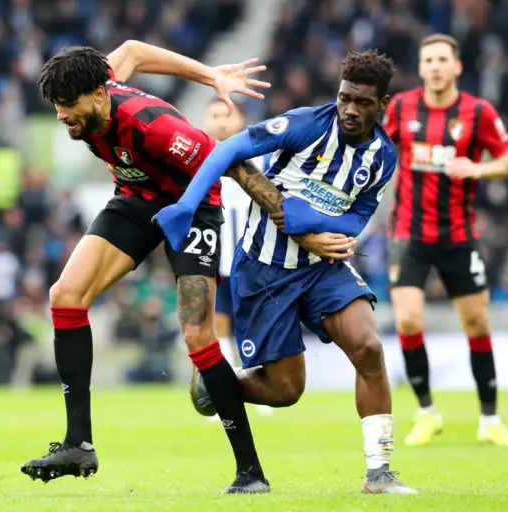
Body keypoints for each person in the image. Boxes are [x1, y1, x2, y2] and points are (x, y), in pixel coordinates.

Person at [20, 40, 281, 494]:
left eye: (67, 105)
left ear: (98, 95)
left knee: (198, 336)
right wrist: (210, 75)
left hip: (192, 207)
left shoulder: (155, 127)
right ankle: (78, 444)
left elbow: (228, 162)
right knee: (65, 296)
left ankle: (250, 472)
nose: (61, 115)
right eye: (56, 105)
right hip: (135, 200)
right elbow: (133, 50)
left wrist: (291, 220)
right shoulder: (99, 81)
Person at [155, 50, 417, 494]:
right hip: (265, 271)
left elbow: (358, 217)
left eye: (362, 102)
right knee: (285, 392)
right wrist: (185, 205)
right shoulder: (307, 124)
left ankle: (379, 473)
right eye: (345, 98)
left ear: (382, 105)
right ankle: (217, 384)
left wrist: (306, 224)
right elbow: (230, 150)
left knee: (369, 348)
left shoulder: (382, 156)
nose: (350, 109)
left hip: (321, 268)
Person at [383, 34, 508, 447]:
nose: (435, 66)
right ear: (421, 67)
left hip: (459, 233)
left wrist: (477, 169)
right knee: (408, 319)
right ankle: (426, 412)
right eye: (428, 60)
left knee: (476, 322)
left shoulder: (478, 112)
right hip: (408, 231)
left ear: (457, 66)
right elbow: (375, 149)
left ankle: (490, 420)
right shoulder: (402, 107)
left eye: (443, 59)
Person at [202, 98, 273, 419]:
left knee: (255, 328)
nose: (220, 121)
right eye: (214, 115)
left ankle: (263, 392)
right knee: (218, 329)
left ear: (241, 119)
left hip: (254, 262)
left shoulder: (261, 157)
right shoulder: (199, 159)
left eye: (227, 114)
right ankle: (223, 395)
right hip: (215, 262)